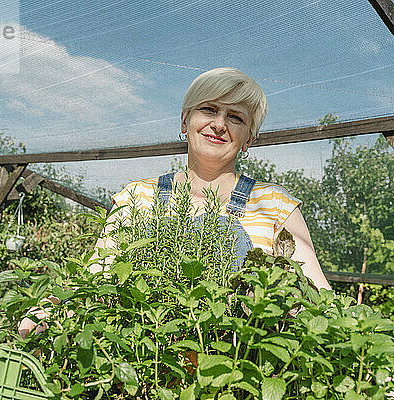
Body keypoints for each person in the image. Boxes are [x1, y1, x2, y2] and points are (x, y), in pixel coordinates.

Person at [19, 67, 330, 339]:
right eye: (209, 110)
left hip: (237, 366)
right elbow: (98, 276)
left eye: (235, 117)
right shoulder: (138, 196)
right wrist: (48, 309)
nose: (219, 124)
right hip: (146, 366)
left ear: (248, 139)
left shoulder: (275, 204)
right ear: (185, 122)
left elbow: (320, 298)